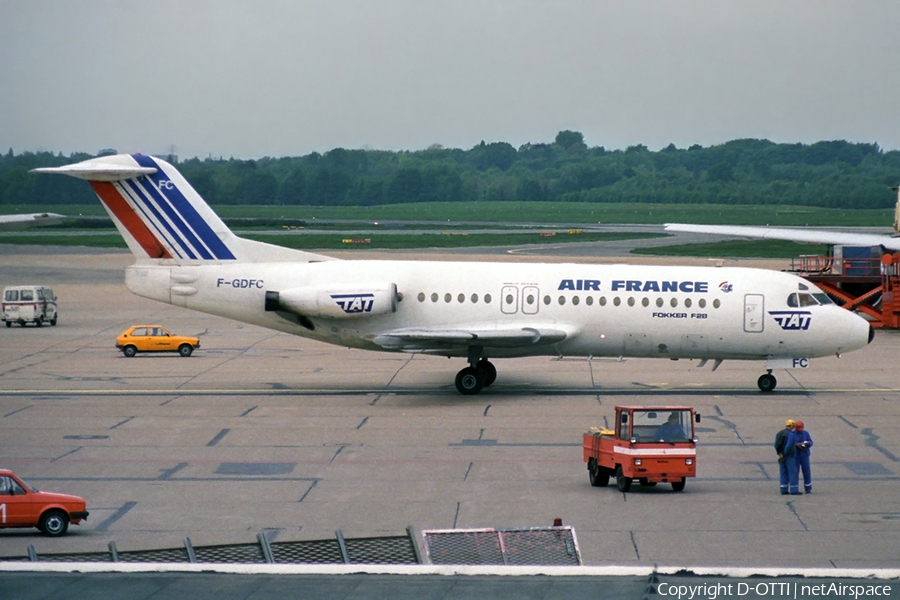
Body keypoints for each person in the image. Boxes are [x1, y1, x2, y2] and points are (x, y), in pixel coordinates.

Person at [784, 420, 814, 494]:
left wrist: (807, 443)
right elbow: (790, 443)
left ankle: (808, 488)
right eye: (798, 429)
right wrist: (796, 445)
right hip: (796, 455)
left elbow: (811, 442)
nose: (800, 430)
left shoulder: (806, 433)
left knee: (806, 471)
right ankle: (795, 488)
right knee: (795, 472)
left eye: (801, 429)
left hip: (804, 455)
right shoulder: (792, 434)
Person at [774, 419, 795, 495]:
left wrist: (779, 453)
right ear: (791, 425)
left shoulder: (779, 433)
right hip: (789, 455)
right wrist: (785, 453)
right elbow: (788, 445)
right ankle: (794, 490)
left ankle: (783, 489)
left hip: (781, 455)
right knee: (792, 472)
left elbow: (775, 444)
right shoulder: (790, 434)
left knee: (783, 473)